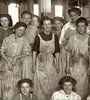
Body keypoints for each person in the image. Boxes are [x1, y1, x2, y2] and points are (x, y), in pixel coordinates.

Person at [0, 22, 32, 100]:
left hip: (17, 64)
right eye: (20, 30)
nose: (22, 32)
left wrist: (17, 57)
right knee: (6, 85)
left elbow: (27, 52)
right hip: (6, 61)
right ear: (15, 29)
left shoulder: (25, 40)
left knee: (16, 84)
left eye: (23, 30)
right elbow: (1, 52)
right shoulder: (8, 38)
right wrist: (8, 62)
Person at [32, 16, 60, 100]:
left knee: (51, 82)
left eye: (49, 24)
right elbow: (34, 51)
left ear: (52, 25)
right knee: (41, 82)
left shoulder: (55, 37)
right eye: (45, 24)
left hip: (51, 61)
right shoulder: (38, 37)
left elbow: (57, 52)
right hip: (41, 61)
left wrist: (58, 64)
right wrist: (33, 65)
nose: (47, 26)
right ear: (42, 26)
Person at [65, 17, 90, 100]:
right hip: (74, 66)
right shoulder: (73, 38)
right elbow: (68, 52)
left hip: (85, 67)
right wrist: (67, 66)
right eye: (78, 26)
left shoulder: (89, 38)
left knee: (85, 87)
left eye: (82, 26)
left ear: (86, 26)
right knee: (74, 86)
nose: (80, 28)